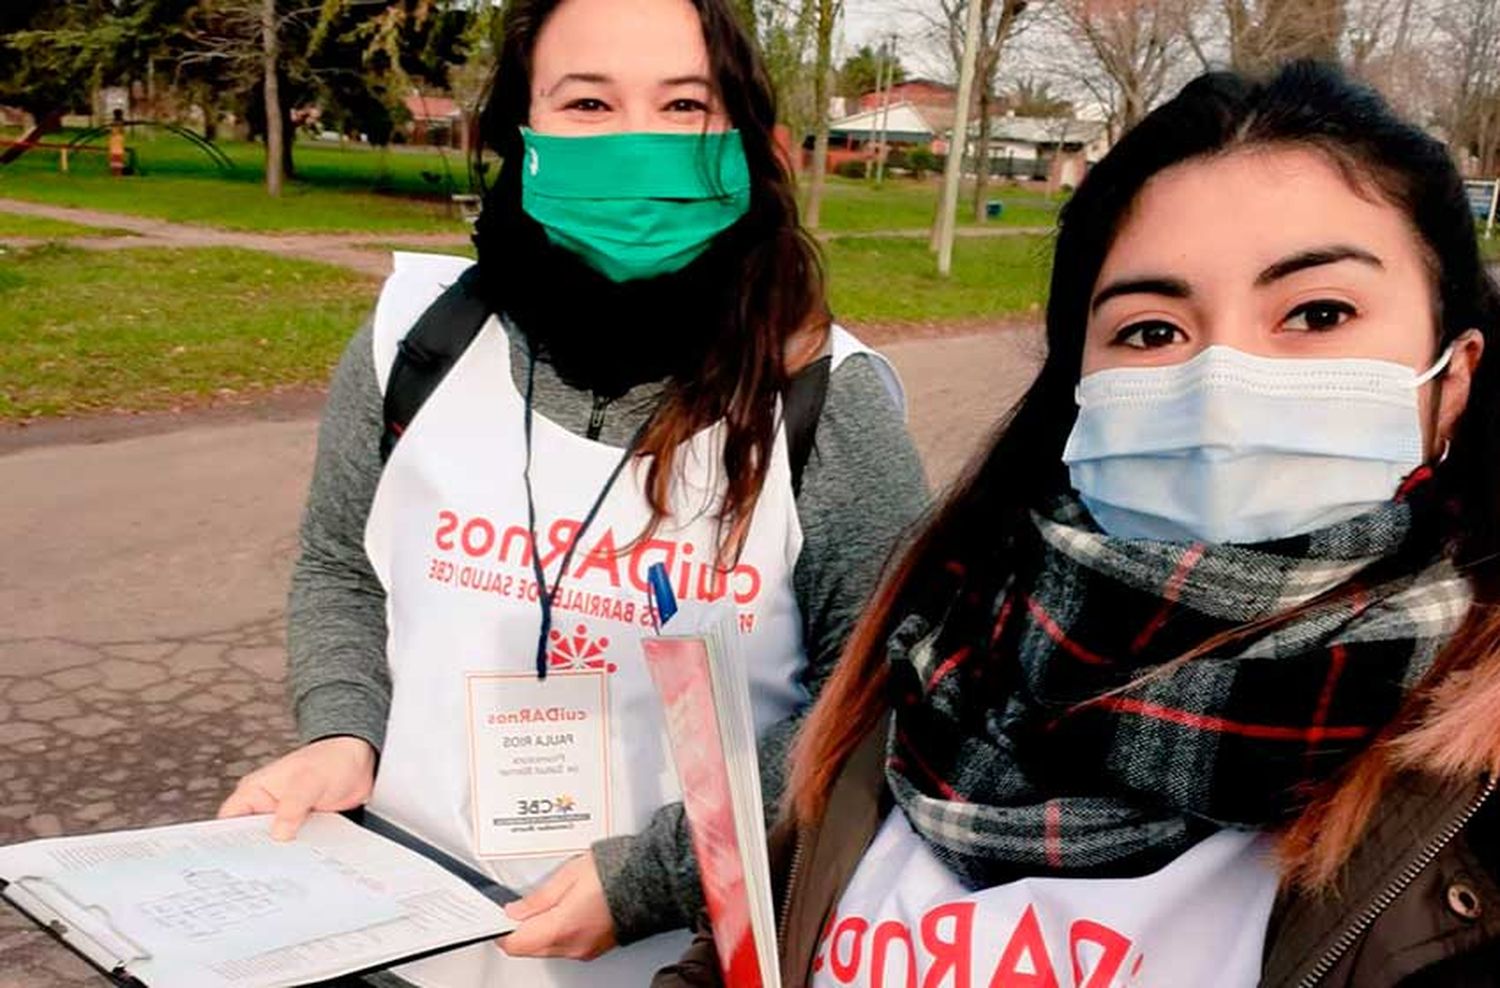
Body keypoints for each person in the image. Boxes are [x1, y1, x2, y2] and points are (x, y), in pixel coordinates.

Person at [657, 61, 1500, 988]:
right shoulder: (940, 643)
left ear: (1451, 379)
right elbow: (751, 943)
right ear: (1081, 389)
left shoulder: (1470, 813)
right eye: (1150, 331)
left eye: (1317, 313)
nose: (1219, 385)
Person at [218, 0, 927, 985]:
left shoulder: (825, 401)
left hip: (673, 958)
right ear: (523, 132)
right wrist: (342, 729)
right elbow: (344, 570)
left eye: (684, 105)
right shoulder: (415, 344)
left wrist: (654, 875)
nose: (637, 138)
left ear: (742, 141)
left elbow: (881, 701)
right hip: (396, 937)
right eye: (588, 101)